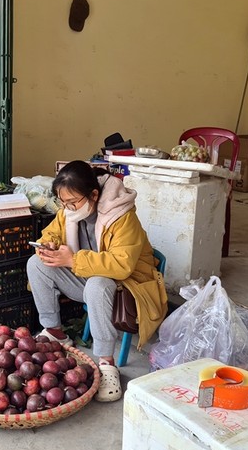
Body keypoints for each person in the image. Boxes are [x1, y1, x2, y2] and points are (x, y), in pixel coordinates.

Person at [27, 161, 168, 402]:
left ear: (94, 194)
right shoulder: (69, 212)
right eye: (63, 203)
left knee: (98, 283)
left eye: (73, 202)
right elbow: (52, 231)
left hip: (127, 288)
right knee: (36, 264)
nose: (68, 208)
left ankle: (106, 362)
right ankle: (55, 332)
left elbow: (121, 265)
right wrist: (48, 246)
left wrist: (73, 260)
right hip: (89, 278)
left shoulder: (123, 217)